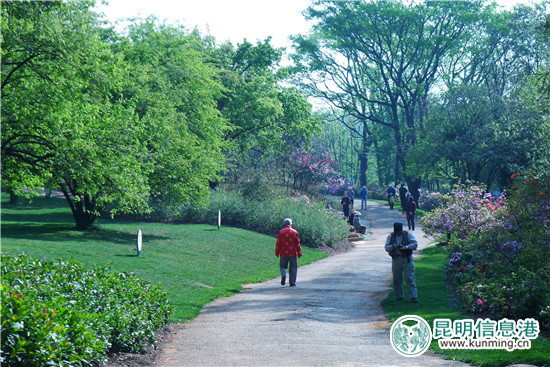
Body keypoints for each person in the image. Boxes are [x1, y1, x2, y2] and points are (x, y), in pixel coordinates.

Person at [384, 222, 418, 302]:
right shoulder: (390, 236)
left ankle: (414, 297)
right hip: (396, 259)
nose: (398, 233)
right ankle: (399, 297)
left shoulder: (408, 235)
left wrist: (406, 247)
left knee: (410, 278)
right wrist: (393, 246)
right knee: (397, 279)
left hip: (407, 259)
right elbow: (386, 248)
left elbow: (415, 245)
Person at [275, 218, 302, 287]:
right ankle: (292, 282)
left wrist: (277, 252)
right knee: (293, 267)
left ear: (284, 224)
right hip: (292, 252)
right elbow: (297, 244)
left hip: (283, 252)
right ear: (291, 224)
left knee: (282, 266)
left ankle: (283, 274)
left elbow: (278, 243)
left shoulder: (281, 232)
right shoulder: (295, 232)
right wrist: (299, 253)